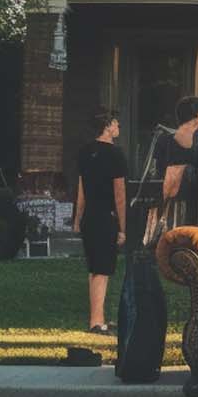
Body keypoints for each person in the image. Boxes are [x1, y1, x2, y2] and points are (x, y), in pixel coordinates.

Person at [72, 109, 128, 334]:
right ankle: (96, 323)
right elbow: (120, 195)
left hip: (89, 218)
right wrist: (123, 228)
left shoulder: (84, 152)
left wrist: (77, 219)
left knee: (95, 268)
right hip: (106, 217)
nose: (118, 128)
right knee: (102, 270)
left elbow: (81, 190)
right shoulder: (115, 154)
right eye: (116, 124)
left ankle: (99, 319)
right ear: (107, 126)